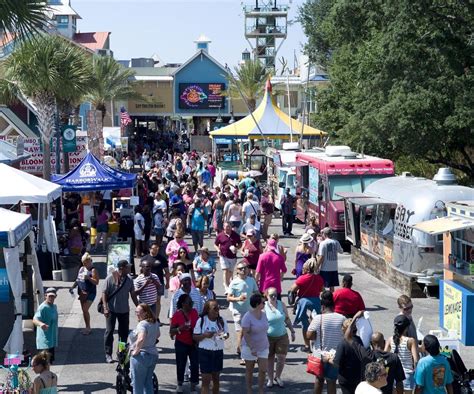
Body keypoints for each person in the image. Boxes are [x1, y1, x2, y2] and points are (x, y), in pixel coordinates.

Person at [306, 290, 345, 394]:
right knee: (332, 382)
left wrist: (312, 323)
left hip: (320, 356)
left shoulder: (318, 318)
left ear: (322, 306)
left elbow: (309, 336)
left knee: (319, 380)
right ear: (334, 306)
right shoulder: (342, 318)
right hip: (334, 356)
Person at [102, 260, 139, 363]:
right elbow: (104, 293)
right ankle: (108, 354)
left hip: (124, 311)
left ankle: (121, 353)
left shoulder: (129, 280)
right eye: (128, 267)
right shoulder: (110, 278)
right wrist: (105, 307)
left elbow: (132, 294)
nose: (130, 268)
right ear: (122, 268)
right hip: (111, 310)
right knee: (109, 332)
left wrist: (139, 307)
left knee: (123, 334)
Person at [193, 300, 229, 394]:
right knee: (206, 380)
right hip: (205, 352)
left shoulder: (221, 320)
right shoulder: (201, 320)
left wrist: (220, 336)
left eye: (218, 308)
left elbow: (226, 335)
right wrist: (205, 335)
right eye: (215, 308)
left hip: (218, 352)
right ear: (208, 310)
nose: (217, 310)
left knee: (216, 379)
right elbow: (195, 337)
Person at [333, 312, 375, 394]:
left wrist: (328, 359)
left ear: (345, 329)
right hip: (358, 377)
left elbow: (336, 363)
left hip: (346, 379)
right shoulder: (360, 341)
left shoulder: (343, 343)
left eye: (342, 327)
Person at [289, 258, 325, 352]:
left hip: (304, 303)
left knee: (305, 325)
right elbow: (322, 290)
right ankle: (316, 344)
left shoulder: (302, 278)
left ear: (306, 267)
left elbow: (292, 289)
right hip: (316, 302)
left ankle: (306, 345)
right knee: (316, 323)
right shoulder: (319, 278)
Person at [264, 288, 295, 388]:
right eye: (271, 295)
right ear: (266, 295)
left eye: (275, 295)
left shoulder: (281, 304)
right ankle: (270, 378)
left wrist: (292, 331)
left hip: (282, 336)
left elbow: (286, 318)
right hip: (268, 337)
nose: (273, 297)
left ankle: (277, 377)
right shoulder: (263, 307)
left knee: (281, 358)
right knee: (270, 358)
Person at [227, 262, 259, 361]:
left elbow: (256, 292)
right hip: (238, 311)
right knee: (241, 332)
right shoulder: (234, 282)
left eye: (245, 268)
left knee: (249, 332)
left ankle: (243, 349)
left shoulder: (251, 280)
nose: (244, 270)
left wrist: (259, 300)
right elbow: (228, 298)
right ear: (237, 271)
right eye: (241, 269)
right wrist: (238, 299)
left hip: (250, 310)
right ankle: (242, 354)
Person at [170, 294, 200, 393]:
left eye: (192, 302)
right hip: (181, 343)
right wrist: (180, 328)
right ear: (183, 304)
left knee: (195, 364)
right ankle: (179, 384)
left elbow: (199, 325)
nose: (191, 304)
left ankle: (193, 386)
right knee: (181, 364)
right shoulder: (177, 315)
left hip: (193, 343)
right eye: (189, 302)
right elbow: (171, 331)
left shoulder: (195, 312)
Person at [129, 303, 160, 394]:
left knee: (137, 386)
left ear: (146, 313)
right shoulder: (154, 322)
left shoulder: (142, 324)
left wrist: (135, 351)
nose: (137, 314)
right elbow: (158, 335)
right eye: (136, 312)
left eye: (138, 312)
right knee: (148, 384)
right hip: (153, 355)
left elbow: (141, 338)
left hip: (141, 357)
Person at [241, 293, 269, 394]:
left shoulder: (264, 314)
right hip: (249, 347)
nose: (265, 304)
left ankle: (261, 390)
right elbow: (246, 333)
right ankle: (249, 390)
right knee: (249, 370)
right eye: (263, 302)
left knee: (263, 370)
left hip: (263, 346)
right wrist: (252, 348)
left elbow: (265, 329)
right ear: (257, 304)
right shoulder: (247, 316)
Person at [385, 314, 419, 393]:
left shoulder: (390, 339)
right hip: (407, 374)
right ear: (407, 328)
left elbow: (384, 355)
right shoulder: (410, 341)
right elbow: (416, 360)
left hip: (394, 374)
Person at [69, 253, 99, 335]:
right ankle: (87, 326)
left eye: (90, 261)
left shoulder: (93, 270)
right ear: (83, 263)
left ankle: (88, 328)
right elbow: (78, 279)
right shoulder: (81, 269)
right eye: (86, 262)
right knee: (84, 311)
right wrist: (72, 287)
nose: (89, 263)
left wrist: (89, 278)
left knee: (85, 309)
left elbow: (96, 282)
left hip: (91, 292)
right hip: (82, 292)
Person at [141, 242, 170, 321]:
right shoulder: (144, 259)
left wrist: (167, 282)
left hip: (159, 283)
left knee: (157, 300)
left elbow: (167, 272)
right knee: (147, 301)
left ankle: (156, 318)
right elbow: (141, 272)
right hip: (146, 283)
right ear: (150, 249)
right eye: (154, 248)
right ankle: (147, 317)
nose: (156, 250)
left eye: (157, 248)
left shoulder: (162, 258)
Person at [33, 288, 59, 364]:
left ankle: (48, 375)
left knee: (50, 361)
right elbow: (34, 319)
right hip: (44, 340)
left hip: (51, 339)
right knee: (45, 362)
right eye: (49, 296)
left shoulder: (54, 306)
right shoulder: (43, 307)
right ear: (45, 296)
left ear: (55, 296)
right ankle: (45, 375)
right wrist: (41, 324)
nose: (51, 298)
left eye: (53, 296)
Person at [214, 222, 241, 292]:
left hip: (232, 256)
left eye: (229, 226)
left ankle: (227, 282)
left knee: (230, 272)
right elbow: (215, 244)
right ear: (223, 227)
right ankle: (226, 286)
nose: (228, 228)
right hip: (223, 256)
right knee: (225, 270)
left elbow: (240, 244)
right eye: (226, 226)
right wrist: (218, 250)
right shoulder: (220, 235)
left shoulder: (235, 235)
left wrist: (236, 248)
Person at [316, 227, 343, 292]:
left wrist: (316, 266)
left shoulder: (323, 243)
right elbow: (341, 251)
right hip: (334, 267)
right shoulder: (336, 242)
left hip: (325, 268)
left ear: (324, 234)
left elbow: (321, 257)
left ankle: (324, 297)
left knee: (321, 285)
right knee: (332, 286)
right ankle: (331, 299)